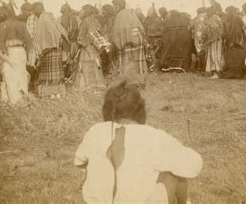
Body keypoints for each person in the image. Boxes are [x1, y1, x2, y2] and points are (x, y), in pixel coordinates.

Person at [74, 78, 203, 204]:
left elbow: (79, 161)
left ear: (106, 109)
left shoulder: (95, 131)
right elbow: (194, 164)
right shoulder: (152, 136)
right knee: (173, 174)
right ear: (140, 109)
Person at [0, 7, 33, 104]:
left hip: (9, 52)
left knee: (10, 77)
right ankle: (23, 99)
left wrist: (4, 57)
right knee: (21, 75)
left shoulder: (1, 26)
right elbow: (29, 43)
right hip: (21, 52)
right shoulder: (21, 25)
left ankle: (14, 101)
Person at [31, 2, 68, 98]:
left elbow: (50, 31)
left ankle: (50, 94)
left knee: (49, 73)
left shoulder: (44, 17)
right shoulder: (49, 15)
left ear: (38, 8)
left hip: (49, 49)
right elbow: (61, 30)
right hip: (55, 48)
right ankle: (57, 93)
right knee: (56, 72)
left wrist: (52, 43)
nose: (33, 12)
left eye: (34, 10)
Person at [111, 0, 147, 87]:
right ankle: (139, 82)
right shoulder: (130, 12)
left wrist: (117, 44)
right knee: (138, 62)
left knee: (127, 62)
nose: (113, 8)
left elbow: (117, 31)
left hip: (128, 42)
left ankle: (128, 82)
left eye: (114, 6)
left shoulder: (120, 15)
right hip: (138, 40)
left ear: (118, 6)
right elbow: (140, 27)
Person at [75, 5, 106, 88]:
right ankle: (97, 85)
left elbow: (80, 37)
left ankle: (87, 85)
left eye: (82, 10)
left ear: (86, 11)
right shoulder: (95, 20)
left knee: (86, 66)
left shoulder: (85, 21)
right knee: (96, 66)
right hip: (95, 48)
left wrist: (83, 44)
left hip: (86, 49)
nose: (81, 12)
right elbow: (101, 34)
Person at [220, 6, 246, 78]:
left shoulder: (236, 19)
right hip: (232, 41)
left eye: (228, 11)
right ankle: (235, 73)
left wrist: (234, 40)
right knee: (232, 57)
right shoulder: (228, 19)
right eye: (227, 12)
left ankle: (235, 74)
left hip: (235, 41)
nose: (227, 13)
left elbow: (238, 31)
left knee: (235, 57)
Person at [203, 5, 224, 78]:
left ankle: (216, 73)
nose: (207, 13)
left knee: (214, 56)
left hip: (215, 40)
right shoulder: (216, 18)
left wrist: (209, 40)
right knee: (215, 55)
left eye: (208, 11)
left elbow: (215, 30)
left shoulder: (213, 18)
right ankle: (216, 72)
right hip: (216, 39)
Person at [143, 6, 164, 71]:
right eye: (148, 12)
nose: (149, 13)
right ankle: (152, 66)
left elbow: (162, 31)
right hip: (149, 39)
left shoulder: (158, 20)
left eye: (150, 12)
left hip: (157, 40)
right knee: (150, 53)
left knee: (155, 53)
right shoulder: (147, 20)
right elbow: (144, 29)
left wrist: (154, 34)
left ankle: (156, 66)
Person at [192, 7, 207, 74]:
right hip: (203, 37)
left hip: (198, 37)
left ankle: (201, 68)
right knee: (203, 53)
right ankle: (203, 68)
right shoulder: (205, 17)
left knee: (200, 53)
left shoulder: (197, 18)